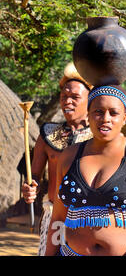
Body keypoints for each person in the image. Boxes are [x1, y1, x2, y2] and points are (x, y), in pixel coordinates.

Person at [45, 85, 126, 256]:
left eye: (114, 113)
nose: (105, 118)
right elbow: (58, 218)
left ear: (125, 118)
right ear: (88, 115)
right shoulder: (69, 156)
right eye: (98, 111)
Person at [22, 62, 93, 256]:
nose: (67, 101)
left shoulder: (100, 138)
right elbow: (34, 175)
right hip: (53, 215)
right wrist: (30, 187)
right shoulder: (48, 134)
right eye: (64, 97)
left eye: (75, 97)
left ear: (89, 100)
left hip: (86, 218)